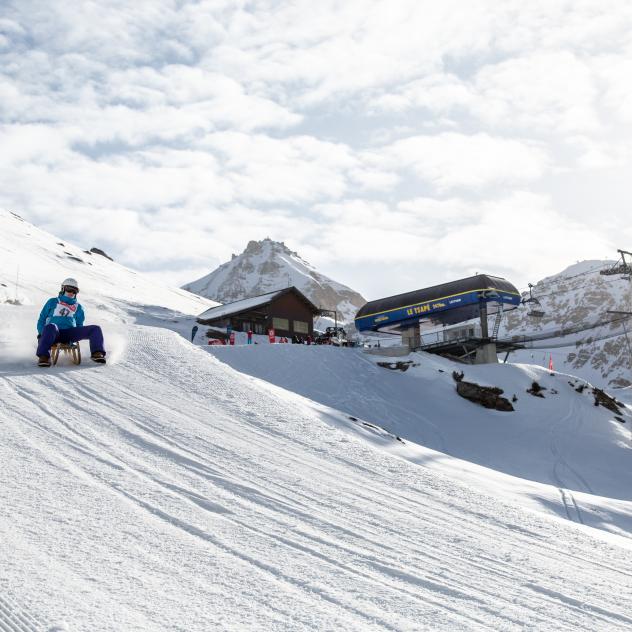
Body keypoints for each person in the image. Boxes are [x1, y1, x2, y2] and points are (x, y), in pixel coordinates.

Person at [36, 277, 106, 367]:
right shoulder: (53, 302)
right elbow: (42, 319)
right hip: (53, 333)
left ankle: (97, 353)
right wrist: (42, 333)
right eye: (69, 289)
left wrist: (77, 335)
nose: (71, 293)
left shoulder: (78, 307)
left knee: (95, 329)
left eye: (74, 291)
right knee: (51, 326)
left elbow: (79, 325)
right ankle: (44, 357)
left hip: (69, 334)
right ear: (63, 289)